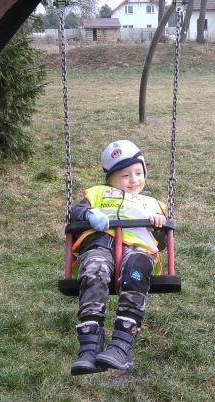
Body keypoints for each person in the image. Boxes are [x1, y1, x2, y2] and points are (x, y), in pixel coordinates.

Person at [69, 140, 168, 375]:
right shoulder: (97, 193)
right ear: (110, 178)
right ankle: (89, 348)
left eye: (138, 173)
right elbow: (75, 212)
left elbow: (163, 243)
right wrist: (90, 214)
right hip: (100, 247)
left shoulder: (153, 204)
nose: (133, 180)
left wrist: (158, 227)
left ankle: (121, 346)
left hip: (137, 251)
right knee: (94, 269)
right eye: (125, 175)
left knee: (136, 270)